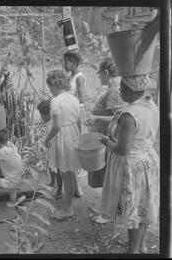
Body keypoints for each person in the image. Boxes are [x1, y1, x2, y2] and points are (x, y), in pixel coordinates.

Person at [99, 75, 159, 253]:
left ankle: (132, 250)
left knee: (134, 210)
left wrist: (106, 141)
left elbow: (122, 149)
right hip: (148, 159)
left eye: (123, 88)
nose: (119, 90)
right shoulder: (150, 104)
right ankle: (141, 244)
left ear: (132, 90)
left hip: (133, 165)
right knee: (144, 205)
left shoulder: (129, 115)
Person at [86, 58, 127, 192]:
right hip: (104, 136)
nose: (98, 77)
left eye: (99, 74)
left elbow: (119, 118)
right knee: (105, 173)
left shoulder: (115, 91)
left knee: (107, 173)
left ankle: (106, 208)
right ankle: (105, 204)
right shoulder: (112, 89)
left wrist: (97, 117)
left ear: (105, 72)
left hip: (108, 137)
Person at [45, 70, 81, 220]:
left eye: (49, 87)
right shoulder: (73, 98)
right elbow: (78, 121)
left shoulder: (56, 101)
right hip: (73, 133)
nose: (50, 91)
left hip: (63, 136)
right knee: (70, 169)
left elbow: (57, 125)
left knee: (65, 172)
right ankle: (72, 196)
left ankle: (67, 208)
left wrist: (47, 139)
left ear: (54, 85)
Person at [64, 51, 86, 197]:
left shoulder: (79, 77)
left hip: (76, 111)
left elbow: (81, 98)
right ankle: (75, 184)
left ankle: (77, 185)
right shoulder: (69, 76)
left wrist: (76, 113)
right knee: (71, 143)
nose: (64, 64)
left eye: (66, 62)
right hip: (69, 110)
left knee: (77, 141)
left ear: (73, 62)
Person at [36, 99, 63, 200]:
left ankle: (59, 191)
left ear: (47, 114)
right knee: (51, 166)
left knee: (57, 169)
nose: (40, 117)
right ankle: (52, 182)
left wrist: (46, 141)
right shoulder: (50, 122)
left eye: (41, 114)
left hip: (56, 149)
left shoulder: (53, 124)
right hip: (51, 149)